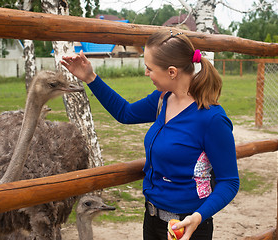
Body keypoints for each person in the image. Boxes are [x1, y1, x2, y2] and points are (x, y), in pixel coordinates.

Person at [61, 29, 239, 240]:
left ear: (172, 72)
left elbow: (229, 182)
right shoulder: (163, 98)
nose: (146, 73)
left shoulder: (212, 119)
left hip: (187, 227)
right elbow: (125, 113)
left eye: (149, 68)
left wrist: (198, 217)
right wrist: (90, 77)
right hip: (152, 219)